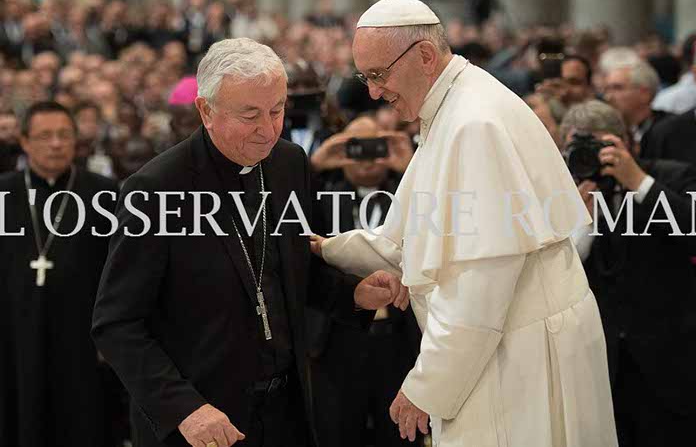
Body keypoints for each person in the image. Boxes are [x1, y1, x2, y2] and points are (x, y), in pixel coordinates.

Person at [311, 0, 617, 446]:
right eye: (366, 77)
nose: (373, 93)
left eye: (379, 75)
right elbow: (409, 236)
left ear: (424, 56)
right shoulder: (451, 108)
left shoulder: (473, 123)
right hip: (505, 344)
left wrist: (426, 386)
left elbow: (480, 285)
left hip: (520, 353)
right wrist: (323, 249)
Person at [91, 38, 408, 447]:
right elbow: (117, 324)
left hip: (285, 412)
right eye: (250, 115)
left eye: (277, 110)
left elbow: (287, 268)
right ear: (206, 111)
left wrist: (353, 294)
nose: (268, 129)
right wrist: (184, 408)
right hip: (202, 420)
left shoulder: (289, 163)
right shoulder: (155, 189)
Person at [562, 100, 696, 447]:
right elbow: (557, 277)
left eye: (601, 145)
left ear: (626, 142)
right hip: (601, 365)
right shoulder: (564, 195)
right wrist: (581, 222)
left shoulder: (671, 176)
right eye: (579, 148)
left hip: (671, 362)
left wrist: (638, 182)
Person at [0, 101, 119, 447]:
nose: (56, 144)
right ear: (24, 141)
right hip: (13, 337)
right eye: (45, 136)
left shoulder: (106, 195)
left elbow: (120, 274)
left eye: (64, 135)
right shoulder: (4, 193)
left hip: (81, 338)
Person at [307, 116, 421, 447]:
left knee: (401, 433)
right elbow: (284, 217)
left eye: (376, 147)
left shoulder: (408, 193)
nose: (367, 158)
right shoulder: (323, 195)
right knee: (336, 431)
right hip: (337, 337)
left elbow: (442, 215)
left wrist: (412, 168)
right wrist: (315, 164)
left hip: (401, 334)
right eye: (356, 148)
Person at [603, 61, 668, 153]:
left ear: (645, 94)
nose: (607, 97)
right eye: (606, 89)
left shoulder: (669, 131)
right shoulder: (605, 129)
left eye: (617, 88)